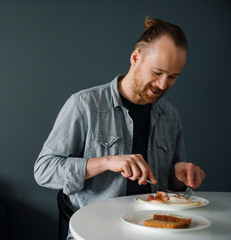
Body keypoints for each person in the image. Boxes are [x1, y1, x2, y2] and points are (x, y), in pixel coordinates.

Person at [34, 18, 206, 239]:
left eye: (173, 77)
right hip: (95, 230)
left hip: (156, 231)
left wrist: (181, 176)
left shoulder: (170, 115)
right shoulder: (84, 105)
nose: (163, 85)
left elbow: (172, 187)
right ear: (135, 58)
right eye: (157, 72)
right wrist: (107, 161)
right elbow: (44, 170)